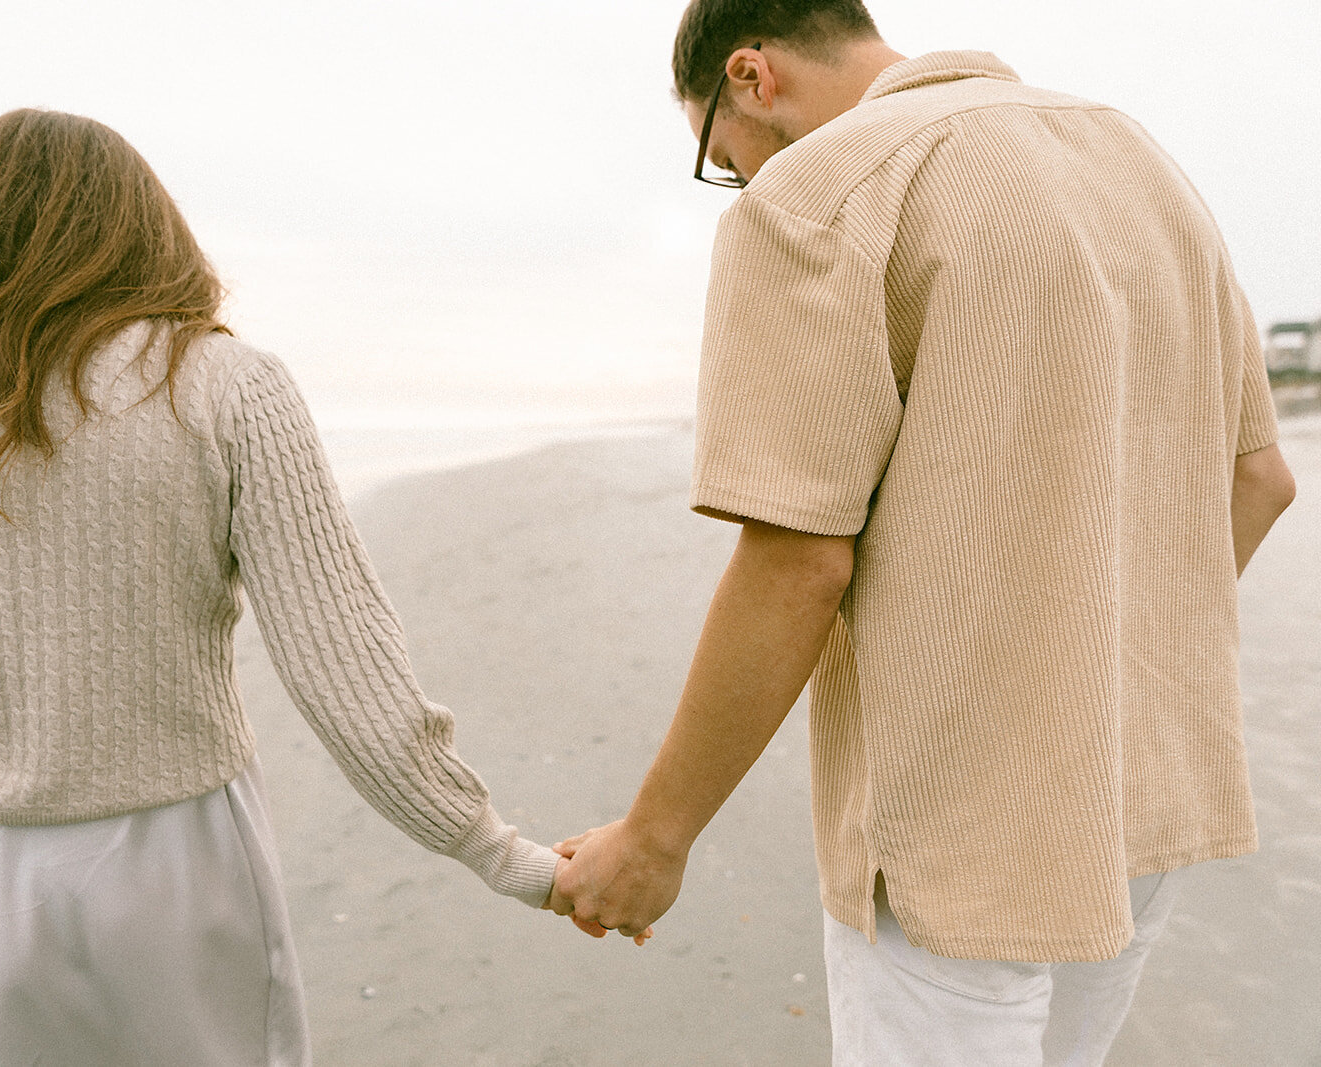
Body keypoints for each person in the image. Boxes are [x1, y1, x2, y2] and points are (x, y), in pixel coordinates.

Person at [548, 1, 1297, 1062]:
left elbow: (797, 561)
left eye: (724, 155)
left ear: (751, 77)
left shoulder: (821, 192)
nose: (743, 181)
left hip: (954, 812)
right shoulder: (1137, 160)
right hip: (1145, 780)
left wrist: (652, 838)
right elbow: (1259, 478)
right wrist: (1087, 652)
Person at [0, 108, 579, 1067]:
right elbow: (346, 674)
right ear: (144, 227)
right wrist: (502, 854)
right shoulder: (218, 381)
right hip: (179, 861)